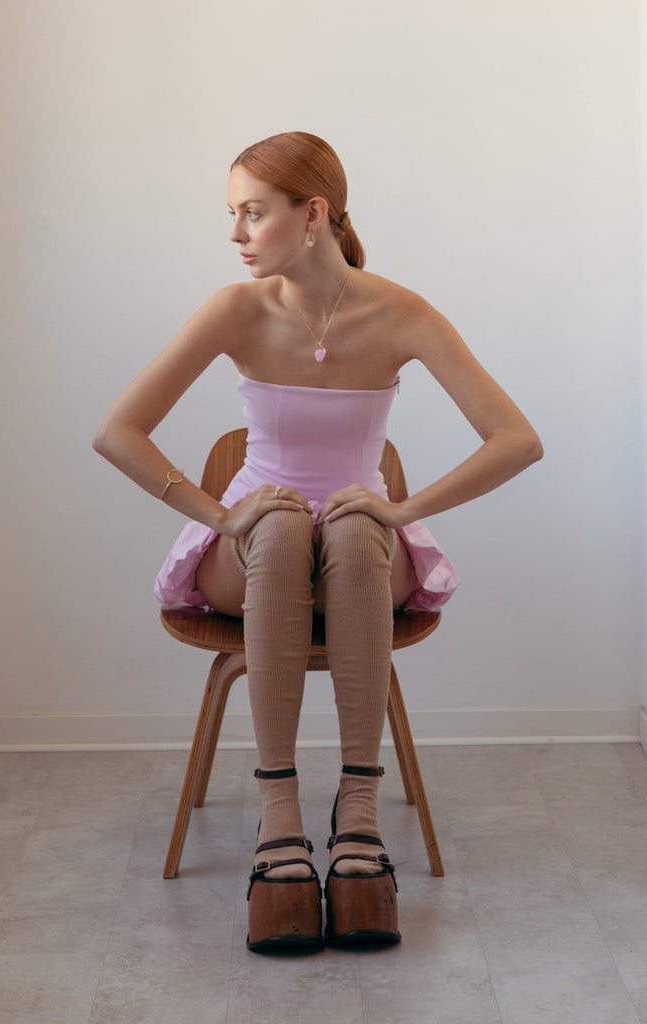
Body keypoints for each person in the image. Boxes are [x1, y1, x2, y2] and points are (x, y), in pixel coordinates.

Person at [93, 131, 543, 952]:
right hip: (251, 555)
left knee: (355, 524)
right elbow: (118, 432)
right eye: (233, 215)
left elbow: (516, 438)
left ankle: (359, 819)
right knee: (283, 519)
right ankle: (279, 819)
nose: (236, 235)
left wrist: (398, 511)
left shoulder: (399, 311)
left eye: (252, 214)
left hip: (361, 559)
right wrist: (220, 512)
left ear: (314, 215)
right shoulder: (236, 309)